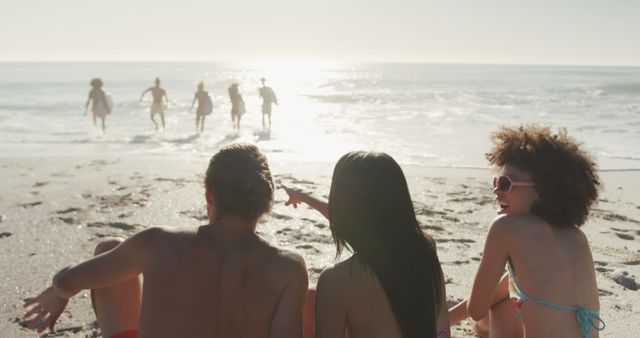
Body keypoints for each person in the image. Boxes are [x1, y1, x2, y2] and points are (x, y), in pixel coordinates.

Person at [23, 144, 309, 338]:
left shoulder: (158, 242)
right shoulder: (289, 266)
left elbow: (71, 280)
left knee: (110, 251)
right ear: (265, 200)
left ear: (209, 193)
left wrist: (58, 290)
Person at [448, 125, 605, 338]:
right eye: (496, 182)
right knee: (508, 297)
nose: (496, 191)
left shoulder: (506, 226)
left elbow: (476, 310)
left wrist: (477, 326)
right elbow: (505, 287)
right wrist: (446, 319)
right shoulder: (577, 237)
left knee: (498, 310)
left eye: (506, 183)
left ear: (543, 190)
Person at [284, 151, 450, 338]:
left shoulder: (337, 279)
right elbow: (443, 331)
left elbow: (348, 220)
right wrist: (305, 197)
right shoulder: (425, 252)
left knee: (310, 298)